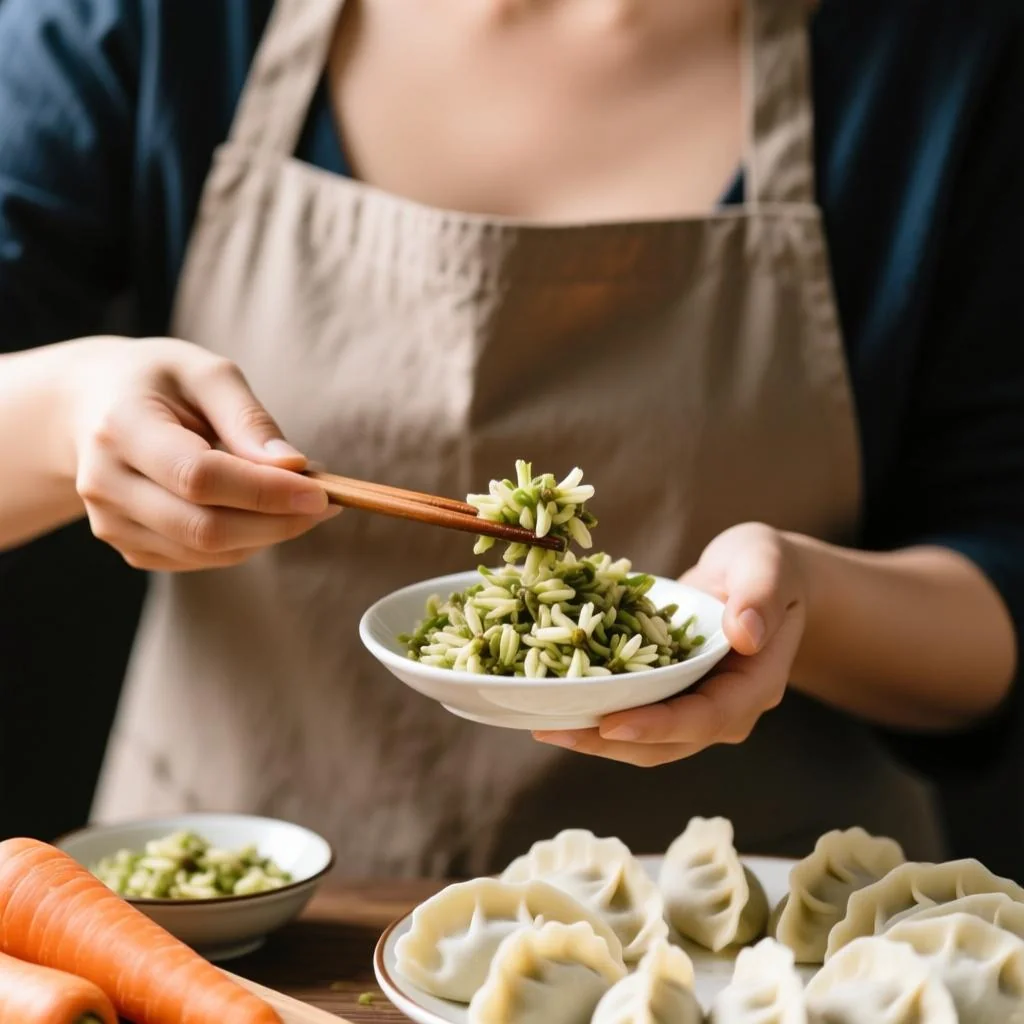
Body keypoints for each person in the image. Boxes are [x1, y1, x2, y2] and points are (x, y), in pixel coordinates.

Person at [0, 0, 1022, 877]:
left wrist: (798, 602)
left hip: (748, 946)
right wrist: (62, 414)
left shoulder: (935, 53)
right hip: (242, 920)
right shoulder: (158, 21)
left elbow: (998, 585)